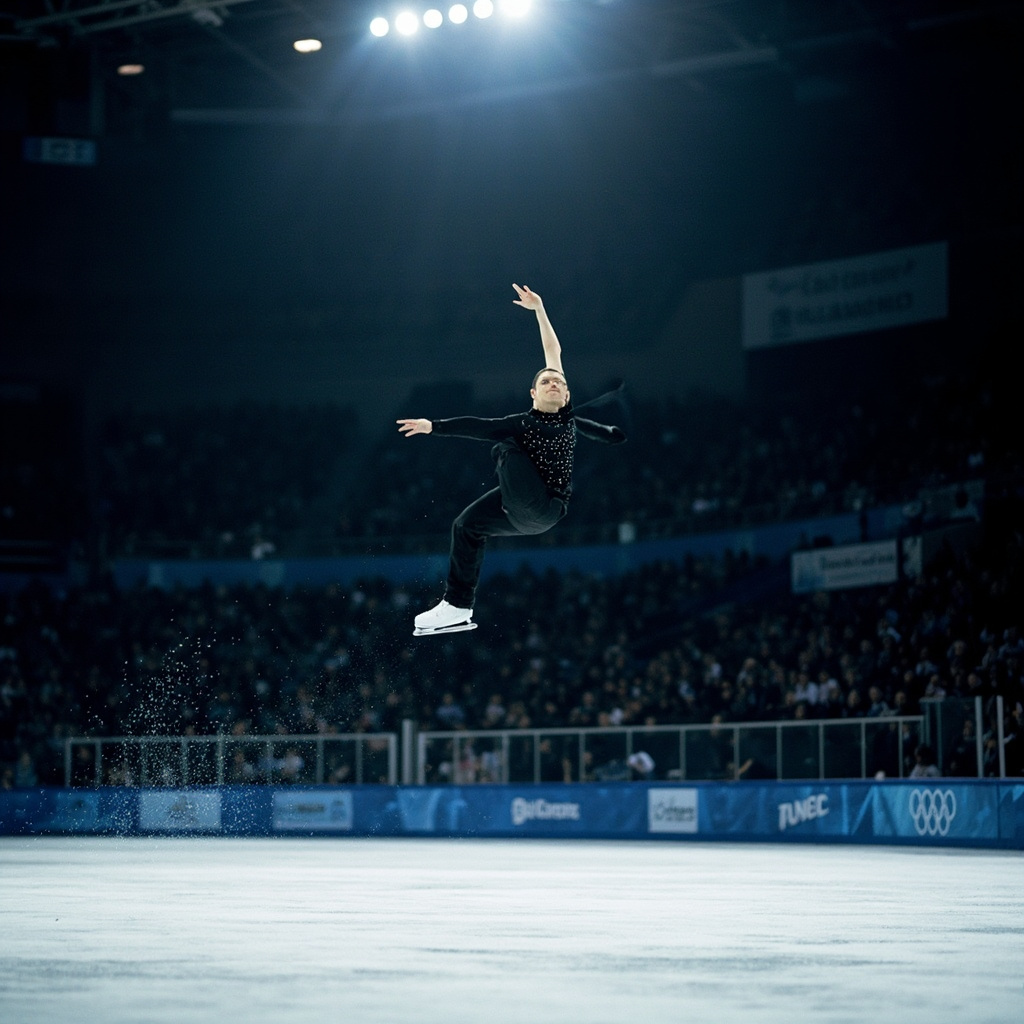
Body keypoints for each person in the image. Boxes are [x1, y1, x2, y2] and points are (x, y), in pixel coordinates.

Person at [397, 283, 626, 634]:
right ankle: (457, 605)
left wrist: (540, 310)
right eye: (547, 381)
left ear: (566, 395)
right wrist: (434, 426)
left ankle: (458, 603)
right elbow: (478, 426)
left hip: (547, 508)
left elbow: (554, 351)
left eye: (559, 383)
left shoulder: (566, 418)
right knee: (465, 525)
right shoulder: (518, 423)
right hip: (519, 512)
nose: (554, 383)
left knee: (504, 448)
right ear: (533, 393)